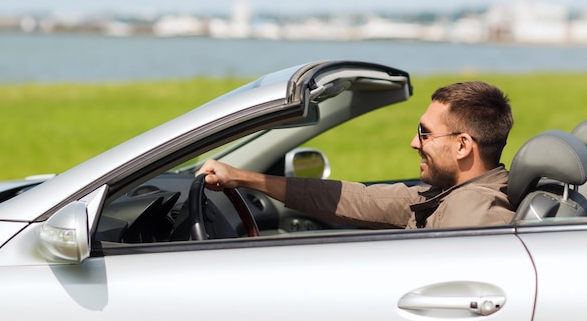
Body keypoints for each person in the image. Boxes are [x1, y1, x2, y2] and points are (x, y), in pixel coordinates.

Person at [196, 81, 515, 229]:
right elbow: (357, 199)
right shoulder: (448, 195)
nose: (414, 143)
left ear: (462, 146)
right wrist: (241, 178)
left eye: (425, 133)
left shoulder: (475, 214)